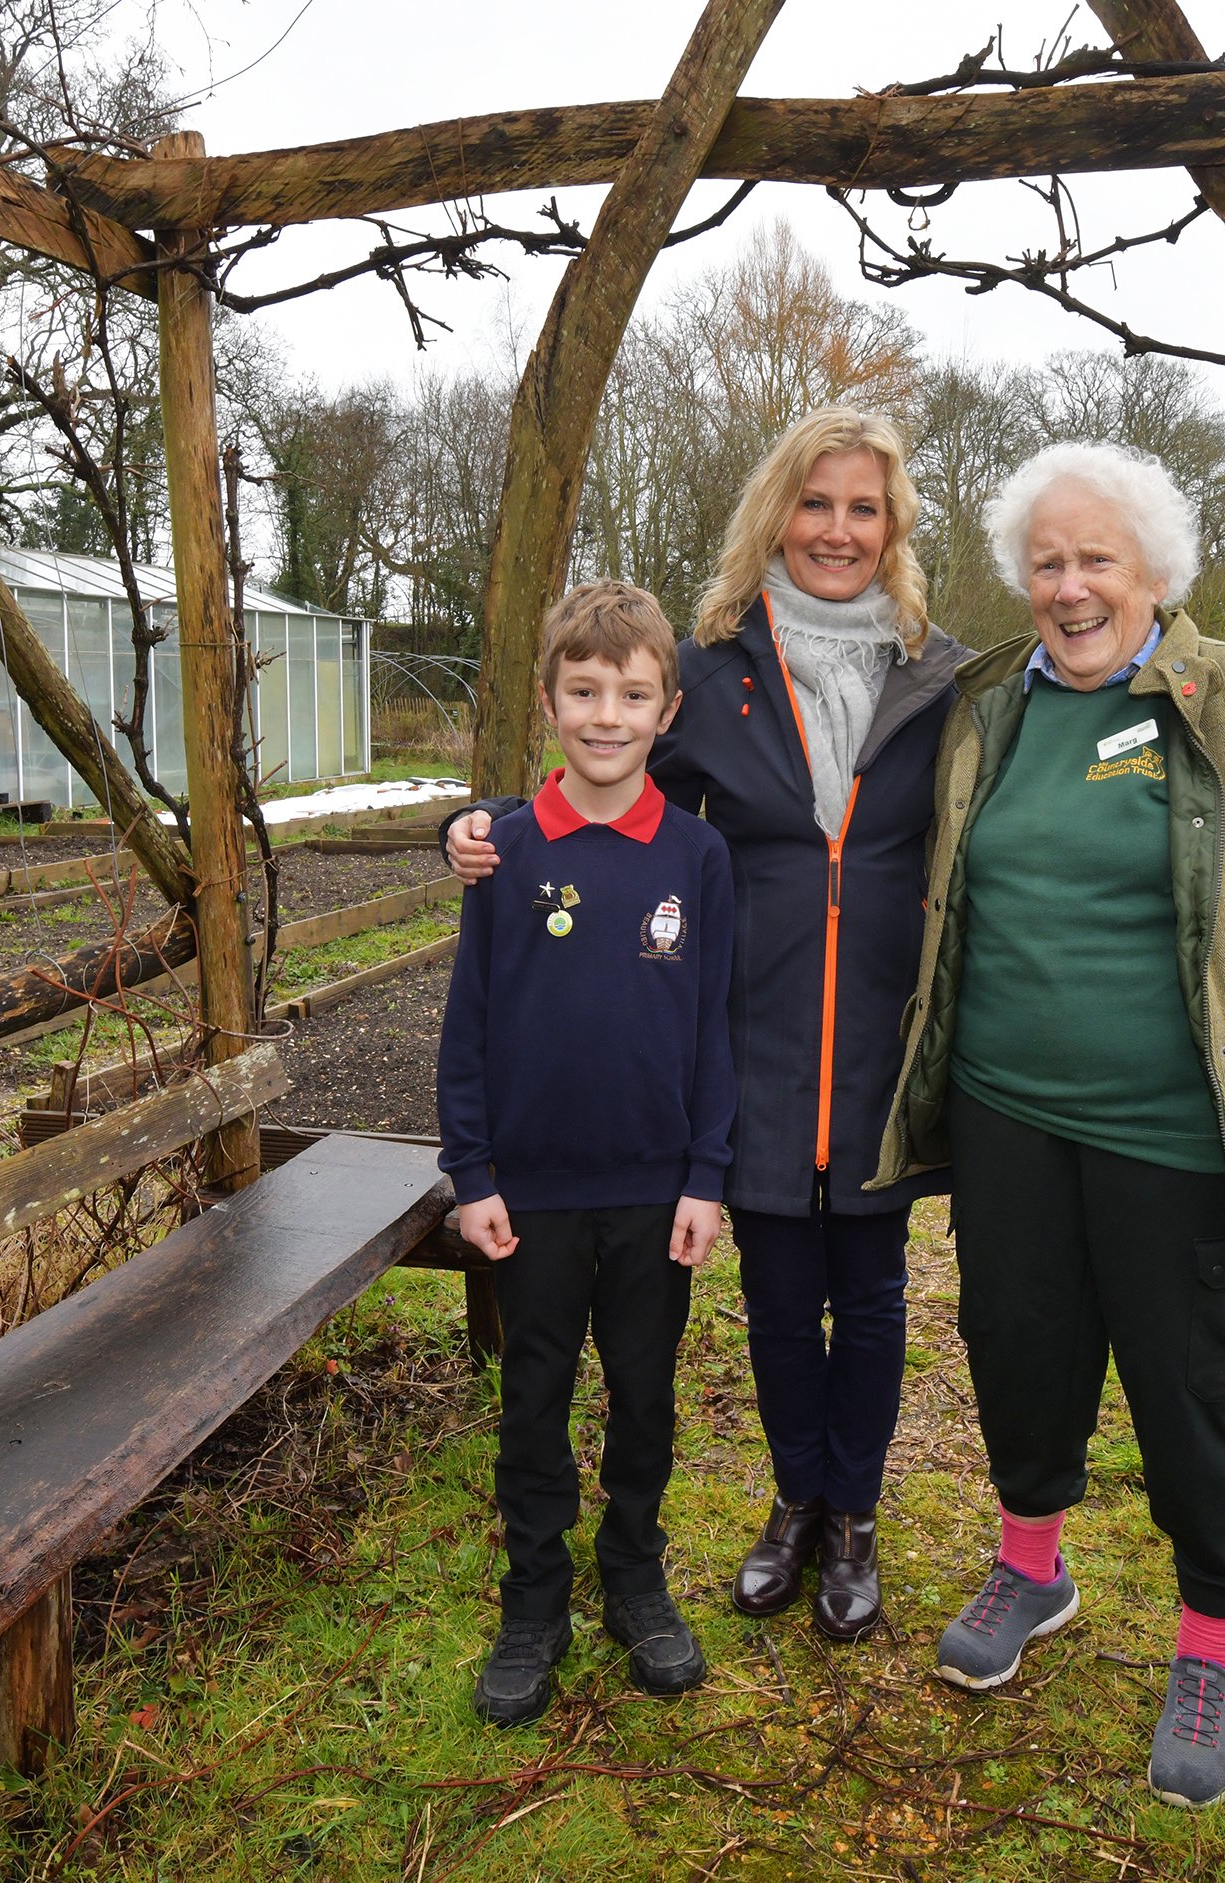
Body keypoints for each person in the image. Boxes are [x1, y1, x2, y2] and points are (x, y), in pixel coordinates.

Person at [869, 442, 1225, 1810]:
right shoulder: (990, 706)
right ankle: (1031, 1565)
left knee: (1197, 1386)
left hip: (1185, 1131)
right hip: (1008, 1118)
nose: (1071, 584)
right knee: (1018, 1344)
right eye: (1046, 560)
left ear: (1158, 570)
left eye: (1098, 557)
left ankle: (1212, 1645)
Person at [440, 408, 965, 1641]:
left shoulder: (941, 674)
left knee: (873, 1294)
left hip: (882, 1037)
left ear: (892, 529)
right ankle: (794, 1497)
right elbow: (601, 781)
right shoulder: (716, 670)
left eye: (863, 507)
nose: (836, 529)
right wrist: (477, 824)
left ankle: (855, 1516)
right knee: (781, 1295)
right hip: (759, 1032)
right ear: (774, 512)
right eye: (814, 502)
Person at [437, 581, 736, 1726]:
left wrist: (705, 1176)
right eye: (583, 690)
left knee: (646, 1396)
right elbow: (468, 1025)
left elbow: (712, 1029)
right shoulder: (501, 852)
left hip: (654, 1193)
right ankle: (534, 1598)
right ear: (549, 700)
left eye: (633, 693)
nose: (606, 714)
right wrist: (474, 1173)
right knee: (534, 1395)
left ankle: (635, 1575)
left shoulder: (696, 857)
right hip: (534, 1197)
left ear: (666, 710)